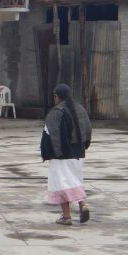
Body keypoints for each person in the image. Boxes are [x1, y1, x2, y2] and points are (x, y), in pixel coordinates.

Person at [40, 83, 92, 226]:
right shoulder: (80, 109)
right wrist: (84, 146)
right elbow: (88, 129)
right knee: (75, 180)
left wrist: (51, 154)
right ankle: (83, 205)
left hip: (62, 155)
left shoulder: (55, 113)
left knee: (61, 184)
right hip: (79, 153)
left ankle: (66, 216)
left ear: (57, 96)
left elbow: (51, 136)